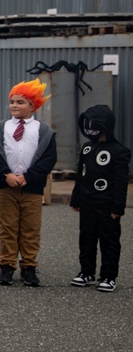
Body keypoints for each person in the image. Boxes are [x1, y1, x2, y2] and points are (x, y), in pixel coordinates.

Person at [0, 78, 57, 287]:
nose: (14, 106)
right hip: (7, 186)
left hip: (32, 188)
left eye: (20, 102)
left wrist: (30, 176)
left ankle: (29, 267)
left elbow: (48, 159)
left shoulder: (43, 131)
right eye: (12, 102)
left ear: (32, 106)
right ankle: (7, 266)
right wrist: (5, 174)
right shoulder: (1, 128)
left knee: (30, 228)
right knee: (8, 227)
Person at [69, 105, 129, 293]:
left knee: (109, 240)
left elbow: (120, 182)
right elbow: (81, 175)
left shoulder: (119, 151)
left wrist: (117, 208)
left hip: (107, 205)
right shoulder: (87, 148)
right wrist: (76, 199)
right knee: (86, 238)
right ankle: (86, 272)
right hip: (87, 203)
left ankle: (109, 276)